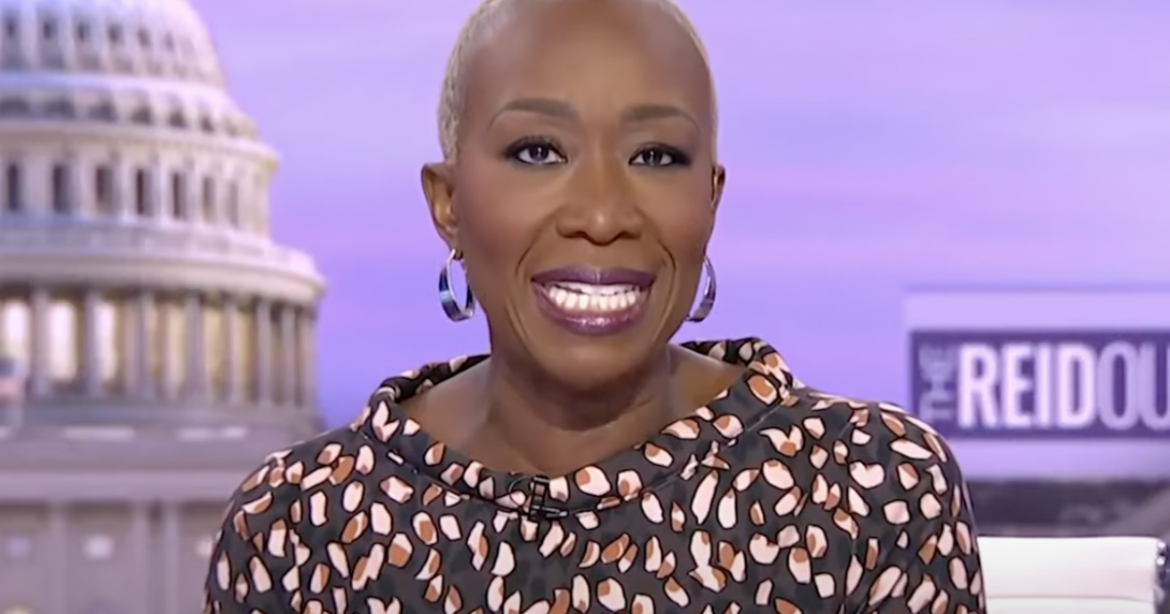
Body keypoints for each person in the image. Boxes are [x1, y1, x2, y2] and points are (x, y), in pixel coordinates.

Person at [202, 0, 986, 612]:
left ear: (710, 199)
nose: (604, 213)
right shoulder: (298, 528)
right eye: (538, 151)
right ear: (448, 203)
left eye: (657, 156)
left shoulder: (869, 492)